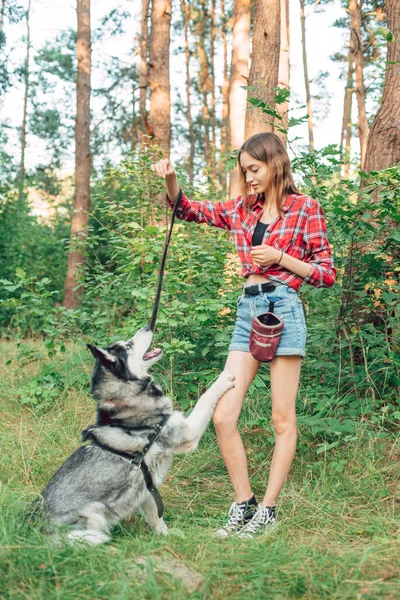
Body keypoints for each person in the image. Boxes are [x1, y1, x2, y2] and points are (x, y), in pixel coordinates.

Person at [151, 132, 336, 538]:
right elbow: (185, 208)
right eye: (244, 170)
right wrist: (170, 177)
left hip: (284, 309)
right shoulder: (240, 210)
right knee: (223, 414)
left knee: (281, 419)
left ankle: (267, 511)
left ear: (275, 164)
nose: (248, 177)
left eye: (254, 169)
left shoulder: (306, 209)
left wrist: (281, 258)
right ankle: (243, 502)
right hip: (248, 309)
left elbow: (326, 273)